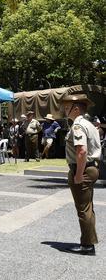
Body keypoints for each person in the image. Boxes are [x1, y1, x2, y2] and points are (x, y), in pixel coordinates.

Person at [61, 94, 101, 255]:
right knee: (88, 208)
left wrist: (78, 174)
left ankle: (87, 245)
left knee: (83, 209)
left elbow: (82, 151)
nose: (64, 110)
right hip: (90, 168)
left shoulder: (78, 125)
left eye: (67, 107)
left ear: (76, 108)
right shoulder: (88, 124)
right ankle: (89, 241)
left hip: (82, 169)